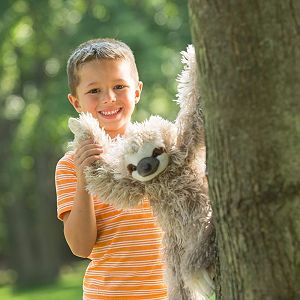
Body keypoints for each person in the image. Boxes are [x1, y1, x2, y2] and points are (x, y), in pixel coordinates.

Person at [55, 38, 167, 300]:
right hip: (108, 294)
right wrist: (85, 178)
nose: (109, 98)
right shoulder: (70, 165)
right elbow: (81, 247)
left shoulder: (160, 151)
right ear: (76, 102)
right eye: (94, 91)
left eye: (119, 86)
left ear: (137, 91)